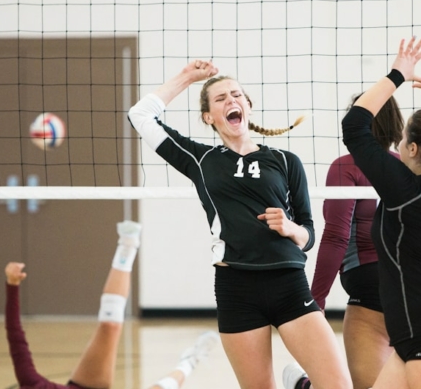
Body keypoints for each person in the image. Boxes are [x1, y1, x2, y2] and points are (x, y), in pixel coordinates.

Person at [128, 61, 352, 389]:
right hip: (236, 287)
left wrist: (290, 228)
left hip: (288, 283)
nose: (230, 100)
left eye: (236, 95)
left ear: (247, 105)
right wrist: (188, 78)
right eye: (220, 99)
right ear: (209, 117)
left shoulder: (286, 161)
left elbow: (308, 234)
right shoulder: (201, 160)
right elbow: (140, 115)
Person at [5, 220, 219, 389]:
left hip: (84, 385)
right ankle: (188, 362)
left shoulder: (30, 382)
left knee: (110, 327)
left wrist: (12, 285)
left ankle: (127, 246)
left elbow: (15, 335)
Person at [339, 36, 421, 389]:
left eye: (402, 139)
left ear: (413, 149)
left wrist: (397, 74)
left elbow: (355, 125)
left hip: (416, 340)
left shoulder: (404, 192)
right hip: (408, 345)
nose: (397, 145)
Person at [309, 94, 403, 388]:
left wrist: (314, 303)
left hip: (371, 287)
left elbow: (336, 236)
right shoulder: (408, 165)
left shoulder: (346, 167)